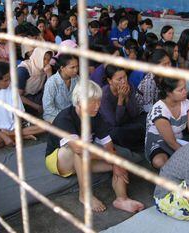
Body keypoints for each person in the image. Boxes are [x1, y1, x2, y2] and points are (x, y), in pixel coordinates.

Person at [45, 80, 145, 213]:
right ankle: (84, 195)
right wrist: (108, 157)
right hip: (59, 160)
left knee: (119, 164)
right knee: (79, 151)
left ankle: (122, 199)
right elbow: (78, 149)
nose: (97, 106)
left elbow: (109, 146)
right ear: (80, 102)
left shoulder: (96, 117)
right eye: (93, 102)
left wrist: (115, 162)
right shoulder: (65, 117)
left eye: (99, 101)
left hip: (84, 159)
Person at [0, 63, 44, 151]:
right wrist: (4, 137)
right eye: (6, 80)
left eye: (10, 79)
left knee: (47, 125)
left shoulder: (11, 88)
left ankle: (12, 135)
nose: (9, 82)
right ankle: (19, 136)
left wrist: (13, 130)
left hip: (15, 125)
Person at [145, 78, 189, 169]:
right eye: (180, 90)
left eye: (185, 88)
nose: (185, 92)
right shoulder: (159, 111)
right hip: (159, 143)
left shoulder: (186, 103)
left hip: (178, 139)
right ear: (169, 92)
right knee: (159, 161)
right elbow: (171, 143)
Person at [99, 65, 145, 151]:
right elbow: (114, 122)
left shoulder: (129, 86)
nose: (124, 81)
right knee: (118, 133)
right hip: (113, 128)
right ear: (110, 81)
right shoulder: (104, 95)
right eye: (119, 79)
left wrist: (127, 98)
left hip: (128, 122)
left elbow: (135, 114)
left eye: (125, 77)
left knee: (145, 119)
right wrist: (120, 100)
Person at [42, 54, 79, 122]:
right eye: (72, 67)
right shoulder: (52, 83)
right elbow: (48, 108)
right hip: (54, 115)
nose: (76, 70)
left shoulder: (77, 79)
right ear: (62, 68)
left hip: (72, 114)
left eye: (77, 67)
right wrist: (66, 115)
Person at [17, 47, 53, 116]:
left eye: (48, 60)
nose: (46, 62)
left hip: (36, 95)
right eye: (44, 59)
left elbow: (49, 90)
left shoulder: (44, 69)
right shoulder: (23, 70)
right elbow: (17, 96)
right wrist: (37, 107)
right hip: (23, 100)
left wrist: (49, 75)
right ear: (37, 57)